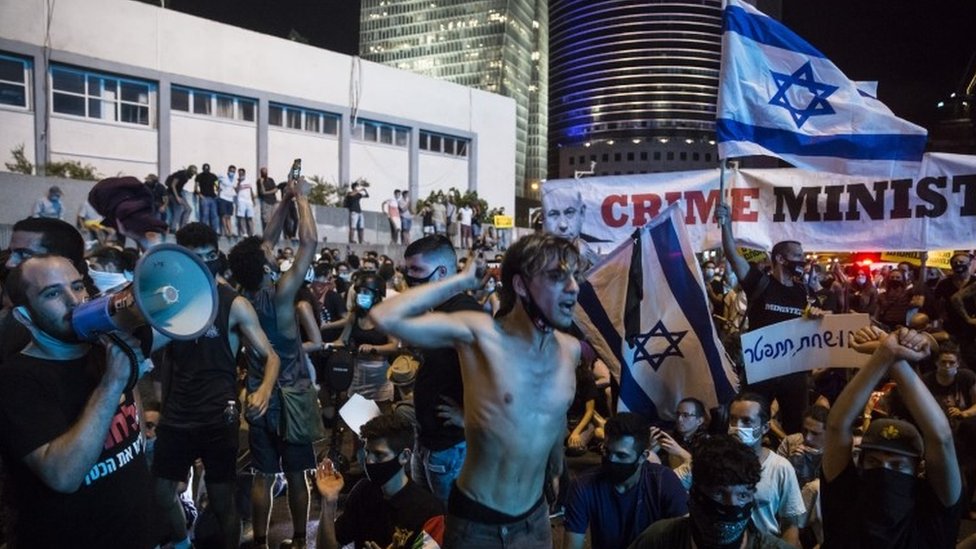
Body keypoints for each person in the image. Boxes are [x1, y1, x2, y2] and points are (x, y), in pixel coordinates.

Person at [371, 233, 582, 548]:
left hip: (535, 521)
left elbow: (554, 418)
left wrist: (556, 467)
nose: (573, 287)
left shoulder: (570, 350)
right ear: (521, 285)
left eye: (575, 276)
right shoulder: (482, 335)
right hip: (477, 525)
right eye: (556, 276)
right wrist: (458, 281)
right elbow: (385, 316)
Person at [0, 255, 155, 548]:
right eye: (53, 293)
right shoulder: (16, 381)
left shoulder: (101, 347)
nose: (74, 301)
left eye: (77, 286)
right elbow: (63, 476)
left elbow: (134, 429)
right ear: (23, 315)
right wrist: (111, 384)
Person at [153, 223, 281, 549]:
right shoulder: (169, 300)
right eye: (196, 258)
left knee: (223, 501)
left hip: (217, 416)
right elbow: (155, 353)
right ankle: (183, 544)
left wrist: (264, 389)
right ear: (182, 260)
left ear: (217, 257)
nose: (205, 264)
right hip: (177, 413)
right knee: (161, 492)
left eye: (210, 256)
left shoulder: (234, 304)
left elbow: (271, 357)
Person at [228, 177, 319, 549]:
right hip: (292, 395)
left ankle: (262, 542)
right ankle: (299, 541)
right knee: (297, 476)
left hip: (258, 394)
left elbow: (265, 241)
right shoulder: (282, 295)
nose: (272, 251)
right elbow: (309, 242)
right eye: (268, 254)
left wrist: (284, 201)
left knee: (262, 476)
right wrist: (304, 200)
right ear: (266, 266)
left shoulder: (241, 299)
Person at [821, 326, 963, 548]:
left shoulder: (932, 513)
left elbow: (941, 437)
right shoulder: (847, 502)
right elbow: (837, 426)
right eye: (874, 462)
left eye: (897, 466)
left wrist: (886, 352)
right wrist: (887, 352)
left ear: (918, 469)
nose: (884, 472)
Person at [717, 201, 819, 434]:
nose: (802, 261)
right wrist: (726, 223)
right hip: (760, 368)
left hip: (794, 372)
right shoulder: (759, 283)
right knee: (748, 419)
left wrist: (817, 316)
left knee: (796, 426)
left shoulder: (805, 291)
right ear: (781, 259)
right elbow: (733, 255)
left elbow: (821, 324)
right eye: (798, 256)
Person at [398, 235, 484, 505]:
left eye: (417, 271)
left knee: (451, 527)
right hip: (427, 443)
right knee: (430, 523)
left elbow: (496, 374)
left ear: (444, 272)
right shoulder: (437, 310)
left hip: (451, 447)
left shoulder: (466, 313)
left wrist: (468, 417)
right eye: (407, 270)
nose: (410, 278)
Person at [628, 435, 795, 549]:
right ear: (694, 494)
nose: (732, 505)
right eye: (719, 494)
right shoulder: (659, 540)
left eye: (742, 495)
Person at [315, 413, 444, 549]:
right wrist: (329, 503)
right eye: (367, 452)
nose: (369, 461)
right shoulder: (363, 492)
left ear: (404, 456)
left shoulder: (429, 512)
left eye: (379, 454)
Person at [562, 413, 688, 549]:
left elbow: (686, 536)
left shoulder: (663, 481)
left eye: (621, 455)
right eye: (607, 451)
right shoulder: (583, 485)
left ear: (643, 456)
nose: (611, 460)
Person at [332, 272, 400, 407]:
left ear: (376, 295)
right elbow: (342, 340)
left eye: (365, 292)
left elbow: (393, 346)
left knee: (380, 414)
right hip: (357, 371)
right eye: (358, 292)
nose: (360, 295)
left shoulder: (386, 317)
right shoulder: (354, 316)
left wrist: (374, 348)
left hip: (379, 373)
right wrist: (325, 345)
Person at [776, 404, 828, 545]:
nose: (808, 438)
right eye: (805, 430)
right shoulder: (791, 442)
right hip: (791, 504)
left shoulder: (834, 450)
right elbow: (775, 482)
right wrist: (789, 464)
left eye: (815, 433)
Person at [166, 165, 197, 233]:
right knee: (178, 209)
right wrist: (177, 197)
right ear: (189, 171)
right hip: (171, 194)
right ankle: (173, 228)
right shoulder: (181, 174)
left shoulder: (186, 177)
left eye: (194, 173)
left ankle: (182, 228)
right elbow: (173, 185)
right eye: (192, 173)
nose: (192, 175)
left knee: (188, 209)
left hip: (179, 193)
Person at [195, 163, 220, 235]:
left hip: (213, 198)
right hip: (204, 197)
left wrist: (217, 195)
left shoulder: (213, 176)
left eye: (207, 168)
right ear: (203, 169)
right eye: (205, 168)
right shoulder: (199, 176)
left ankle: (214, 232)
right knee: (205, 215)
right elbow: (196, 188)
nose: (206, 170)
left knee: (214, 215)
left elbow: (217, 186)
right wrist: (200, 195)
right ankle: (203, 231)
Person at [217, 164, 237, 240]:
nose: (232, 173)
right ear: (228, 171)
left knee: (229, 216)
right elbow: (215, 180)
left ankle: (230, 232)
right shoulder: (222, 176)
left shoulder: (234, 179)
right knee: (223, 215)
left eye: (234, 171)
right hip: (223, 197)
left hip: (230, 199)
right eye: (231, 171)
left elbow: (234, 187)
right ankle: (226, 231)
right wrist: (217, 188)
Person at [236, 167, 256, 237]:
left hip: (249, 201)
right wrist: (239, 182)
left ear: (244, 173)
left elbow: (251, 191)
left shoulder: (248, 180)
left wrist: (253, 200)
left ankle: (252, 233)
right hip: (241, 201)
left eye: (242, 173)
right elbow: (236, 191)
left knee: (250, 217)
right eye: (239, 173)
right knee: (242, 217)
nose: (241, 174)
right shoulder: (237, 181)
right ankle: (244, 233)